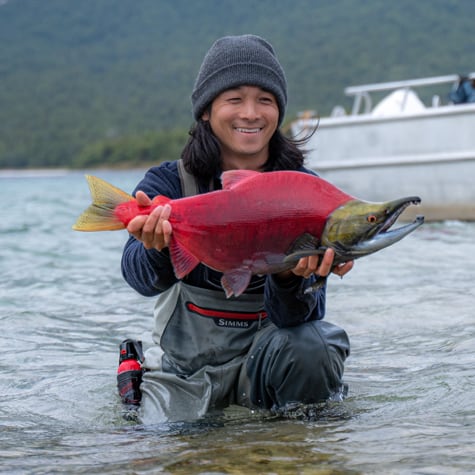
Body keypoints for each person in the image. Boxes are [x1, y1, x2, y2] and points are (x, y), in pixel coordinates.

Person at [120, 34, 353, 424]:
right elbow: (138, 279)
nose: (251, 113)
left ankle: (293, 442)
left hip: (265, 367)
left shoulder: (303, 189)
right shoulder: (169, 184)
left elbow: (300, 321)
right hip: (186, 377)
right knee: (155, 440)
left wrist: (287, 275)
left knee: (314, 346)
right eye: (234, 99)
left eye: (265, 99)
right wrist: (156, 247)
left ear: (278, 110)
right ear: (206, 111)